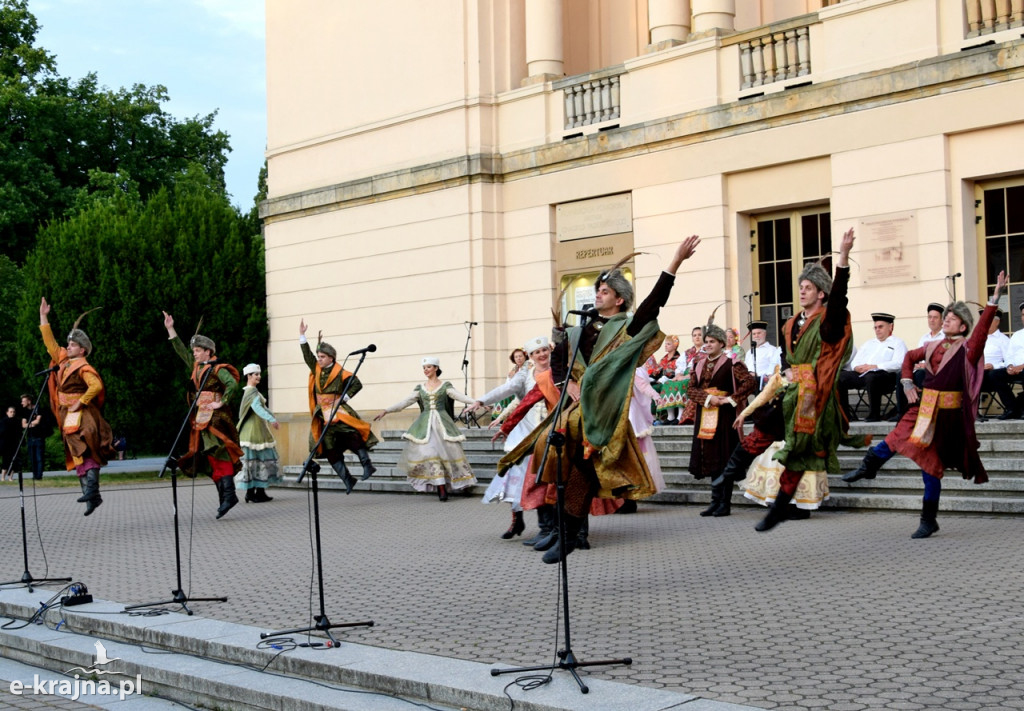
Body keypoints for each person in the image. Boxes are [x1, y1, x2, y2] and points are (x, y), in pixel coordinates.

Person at [499, 234, 702, 563]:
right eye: (597, 290)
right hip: (575, 413)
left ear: (620, 300)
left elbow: (654, 303)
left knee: (586, 470)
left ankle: (569, 534)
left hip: (605, 416)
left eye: (605, 291)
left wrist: (675, 262)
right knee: (565, 466)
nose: (598, 294)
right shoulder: (580, 330)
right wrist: (569, 382)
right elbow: (561, 359)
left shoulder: (628, 329)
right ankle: (562, 533)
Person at [843, 273, 1008, 539]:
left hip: (947, 417)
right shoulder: (932, 345)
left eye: (951, 319)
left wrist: (995, 298)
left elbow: (981, 330)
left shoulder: (969, 349)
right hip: (923, 408)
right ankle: (868, 467)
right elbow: (908, 357)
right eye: (946, 318)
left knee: (931, 466)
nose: (946, 321)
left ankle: (928, 519)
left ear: (963, 327)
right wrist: (907, 382)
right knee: (896, 437)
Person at [751, 227, 871, 532]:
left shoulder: (828, 322)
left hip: (816, 398)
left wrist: (842, 257)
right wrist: (788, 372)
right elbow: (788, 358)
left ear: (821, 293)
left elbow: (840, 298)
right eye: (800, 286)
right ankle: (766, 501)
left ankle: (786, 506)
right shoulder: (793, 325)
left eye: (808, 287)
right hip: (794, 395)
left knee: (801, 449)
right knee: (791, 447)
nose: (802, 290)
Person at [163, 312, 243, 519]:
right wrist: (171, 329)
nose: (195, 354)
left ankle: (229, 496)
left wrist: (222, 401)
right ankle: (224, 497)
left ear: (208, 352)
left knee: (219, 452)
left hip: (216, 419)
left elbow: (233, 384)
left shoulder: (217, 369)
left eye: (198, 350)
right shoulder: (198, 367)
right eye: (195, 351)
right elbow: (182, 352)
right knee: (208, 455)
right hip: (200, 418)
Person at [39, 298, 115, 515]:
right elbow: (50, 343)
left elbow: (96, 386)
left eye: (72, 345)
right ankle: (92, 495)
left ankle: (92, 491)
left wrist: (79, 403)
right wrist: (44, 317)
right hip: (67, 414)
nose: (68, 346)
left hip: (83, 414)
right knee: (76, 451)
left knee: (87, 447)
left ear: (82, 350)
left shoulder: (84, 367)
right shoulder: (63, 361)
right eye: (69, 344)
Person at [474, 337, 551, 537]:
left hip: (551, 431)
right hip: (525, 434)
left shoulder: (560, 369)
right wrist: (481, 401)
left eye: (544, 350)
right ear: (531, 357)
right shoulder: (526, 375)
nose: (542, 355)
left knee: (547, 480)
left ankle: (550, 527)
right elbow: (507, 391)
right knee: (515, 480)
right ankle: (517, 521)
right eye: (536, 352)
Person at [375, 357, 477, 501]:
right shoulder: (420, 388)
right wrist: (387, 410)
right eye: (424, 368)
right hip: (425, 426)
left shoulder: (445, 386)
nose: (426, 370)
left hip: (443, 424)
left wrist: (478, 402)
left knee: (450, 452)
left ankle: (463, 483)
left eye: (429, 367)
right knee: (429, 452)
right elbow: (405, 402)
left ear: (436, 368)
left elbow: (460, 396)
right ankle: (441, 487)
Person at [298, 320, 378, 494]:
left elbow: (356, 384)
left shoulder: (340, 372)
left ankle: (367, 465)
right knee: (328, 448)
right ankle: (348, 479)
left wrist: (343, 399)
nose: (319, 359)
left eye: (322, 357)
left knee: (351, 435)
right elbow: (307, 356)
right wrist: (302, 336)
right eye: (318, 357)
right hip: (322, 415)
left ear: (331, 358)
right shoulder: (316, 368)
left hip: (338, 411)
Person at [688, 322, 755, 517]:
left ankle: (725, 503)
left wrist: (730, 400)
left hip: (725, 418)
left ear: (720, 343)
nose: (707, 345)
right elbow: (691, 389)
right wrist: (708, 398)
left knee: (724, 458)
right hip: (705, 416)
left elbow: (750, 383)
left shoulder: (731, 363)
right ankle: (714, 502)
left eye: (712, 341)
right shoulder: (698, 364)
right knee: (710, 458)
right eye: (706, 341)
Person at [838, 313, 907, 422]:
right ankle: (845, 415)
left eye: (880, 327)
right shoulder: (868, 343)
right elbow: (856, 360)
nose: (877, 330)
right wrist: (856, 367)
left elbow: (900, 363)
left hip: (886, 377)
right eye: (875, 327)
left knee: (872, 377)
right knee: (841, 377)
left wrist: (876, 366)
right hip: (863, 374)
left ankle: (874, 415)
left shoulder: (898, 343)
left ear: (890, 327)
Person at [236, 363, 282, 503]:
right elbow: (257, 408)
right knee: (257, 461)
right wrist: (271, 419)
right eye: (256, 374)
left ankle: (257, 492)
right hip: (252, 432)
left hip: (258, 431)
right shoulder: (251, 392)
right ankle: (254, 493)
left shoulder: (254, 392)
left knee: (258, 461)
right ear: (249, 376)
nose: (258, 377)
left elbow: (264, 408)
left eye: (259, 374)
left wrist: (272, 417)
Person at [977, 308, 1017, 420]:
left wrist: (994, 366)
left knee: (986, 375)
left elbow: (1010, 362)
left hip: (990, 377)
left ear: (997, 321)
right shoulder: (977, 339)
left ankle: (973, 411)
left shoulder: (1003, 340)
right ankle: (966, 411)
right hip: (975, 374)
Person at [912, 303, 947, 388]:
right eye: (929, 317)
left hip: (938, 372)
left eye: (935, 317)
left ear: (942, 321)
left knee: (921, 375)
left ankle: (924, 401)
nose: (932, 320)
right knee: (902, 375)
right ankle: (905, 402)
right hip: (920, 369)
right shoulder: (924, 338)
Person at [744, 320, 782, 392]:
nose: (756, 336)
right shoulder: (749, 352)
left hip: (763, 384)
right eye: (754, 334)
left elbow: (775, 369)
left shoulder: (772, 350)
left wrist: (758, 375)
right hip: (748, 383)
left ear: (765, 334)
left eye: (759, 333)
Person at [20, 394, 50, 480]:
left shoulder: (38, 409)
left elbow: (38, 421)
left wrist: (29, 424)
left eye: (23, 401)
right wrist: (31, 424)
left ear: (29, 401)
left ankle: (39, 476)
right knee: (32, 458)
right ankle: (34, 475)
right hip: (30, 437)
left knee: (39, 457)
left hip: (39, 437)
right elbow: (23, 425)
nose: (21, 403)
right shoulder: (24, 412)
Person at [2, 405, 22, 480]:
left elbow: (20, 432)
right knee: (6, 460)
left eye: (13, 412)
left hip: (15, 443)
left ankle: (11, 477)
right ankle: (3, 477)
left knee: (15, 460)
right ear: (7, 413)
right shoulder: (3, 421)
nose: (12, 413)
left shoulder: (17, 421)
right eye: (11, 412)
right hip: (6, 444)